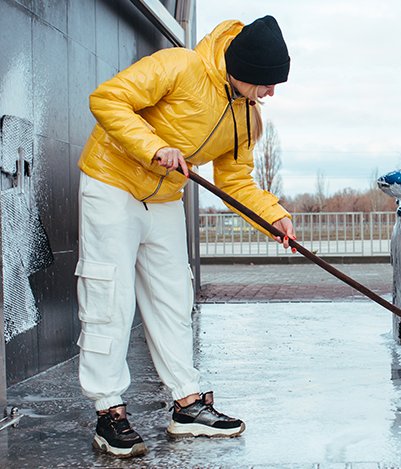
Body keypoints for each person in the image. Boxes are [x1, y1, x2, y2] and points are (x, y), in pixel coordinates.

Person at [76, 16, 295, 458]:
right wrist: (153, 146)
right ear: (243, 67)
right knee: (110, 297)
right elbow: (108, 99)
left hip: (162, 198)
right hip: (112, 183)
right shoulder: (180, 67)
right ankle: (109, 412)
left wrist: (272, 216)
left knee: (174, 298)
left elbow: (236, 181)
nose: (271, 93)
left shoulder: (247, 118)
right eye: (267, 83)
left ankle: (187, 404)